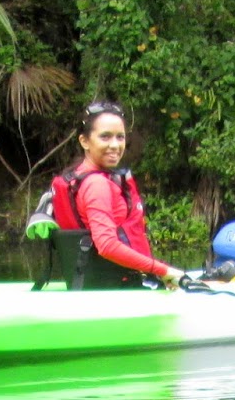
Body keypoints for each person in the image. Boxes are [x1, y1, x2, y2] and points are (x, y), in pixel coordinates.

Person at [50, 102, 185, 289]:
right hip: (116, 288)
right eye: (105, 137)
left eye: (120, 137)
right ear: (85, 141)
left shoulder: (78, 178)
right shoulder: (96, 184)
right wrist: (162, 270)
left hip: (90, 284)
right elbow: (107, 246)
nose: (115, 145)